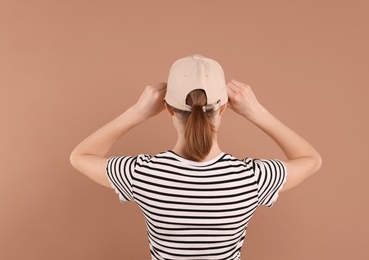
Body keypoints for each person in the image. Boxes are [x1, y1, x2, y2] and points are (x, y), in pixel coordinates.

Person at [69, 54, 322, 260]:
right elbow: (311, 159)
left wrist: (137, 112)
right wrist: (257, 112)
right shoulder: (251, 178)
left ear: (168, 108)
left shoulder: (144, 174)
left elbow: (80, 156)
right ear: (223, 108)